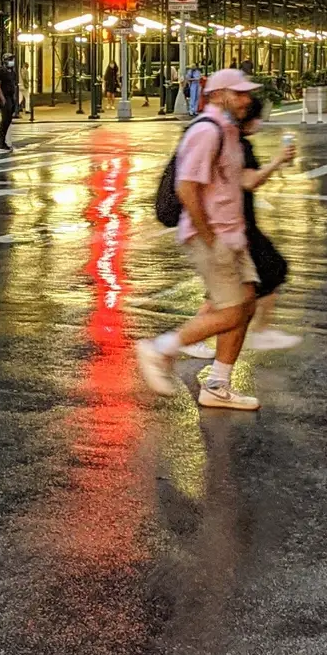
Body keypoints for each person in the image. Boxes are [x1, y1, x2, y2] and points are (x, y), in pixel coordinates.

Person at [136, 68, 266, 411]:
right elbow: (186, 187)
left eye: (246, 94)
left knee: (247, 304)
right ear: (218, 94)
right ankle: (160, 348)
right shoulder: (206, 131)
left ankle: (218, 385)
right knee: (231, 312)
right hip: (214, 238)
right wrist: (208, 237)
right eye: (238, 94)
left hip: (232, 236)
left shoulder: (228, 131)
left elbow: (237, 182)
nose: (246, 99)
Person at [183, 95, 300, 358]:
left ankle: (218, 367)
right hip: (237, 227)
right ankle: (179, 341)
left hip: (237, 225)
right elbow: (248, 181)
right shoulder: (233, 142)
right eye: (257, 116)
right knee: (267, 273)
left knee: (238, 288)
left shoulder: (232, 140)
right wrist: (278, 160)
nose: (260, 122)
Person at [0, 54, 19, 151]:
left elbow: (14, 85)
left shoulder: (12, 72)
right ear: (5, 60)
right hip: (5, 97)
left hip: (11, 97)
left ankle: (3, 141)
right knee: (5, 119)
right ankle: (1, 142)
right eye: (10, 60)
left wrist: (15, 98)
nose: (12, 61)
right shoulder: (1, 71)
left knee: (8, 120)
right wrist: (2, 98)